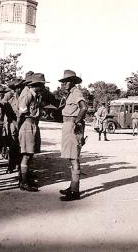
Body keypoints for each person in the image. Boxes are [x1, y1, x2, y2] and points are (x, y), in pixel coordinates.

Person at [58, 70, 88, 201]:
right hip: (68, 127)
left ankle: (75, 191)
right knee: (71, 158)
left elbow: (84, 107)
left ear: (74, 82)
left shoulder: (76, 93)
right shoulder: (70, 94)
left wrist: (76, 122)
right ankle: (72, 186)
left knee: (74, 158)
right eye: (63, 82)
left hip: (72, 127)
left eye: (67, 81)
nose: (64, 84)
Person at [18, 73, 47, 192]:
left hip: (32, 123)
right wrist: (20, 128)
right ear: (37, 85)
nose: (43, 87)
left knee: (30, 153)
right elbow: (21, 112)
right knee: (26, 154)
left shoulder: (33, 94)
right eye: (42, 85)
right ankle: (24, 182)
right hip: (27, 124)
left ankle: (26, 178)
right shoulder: (27, 94)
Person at [2, 78, 24, 173]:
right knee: (12, 145)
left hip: (21, 122)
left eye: (20, 87)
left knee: (20, 146)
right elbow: (2, 105)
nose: (19, 89)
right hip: (12, 122)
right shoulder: (9, 95)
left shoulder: (23, 96)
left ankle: (20, 166)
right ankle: (11, 166)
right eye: (17, 88)